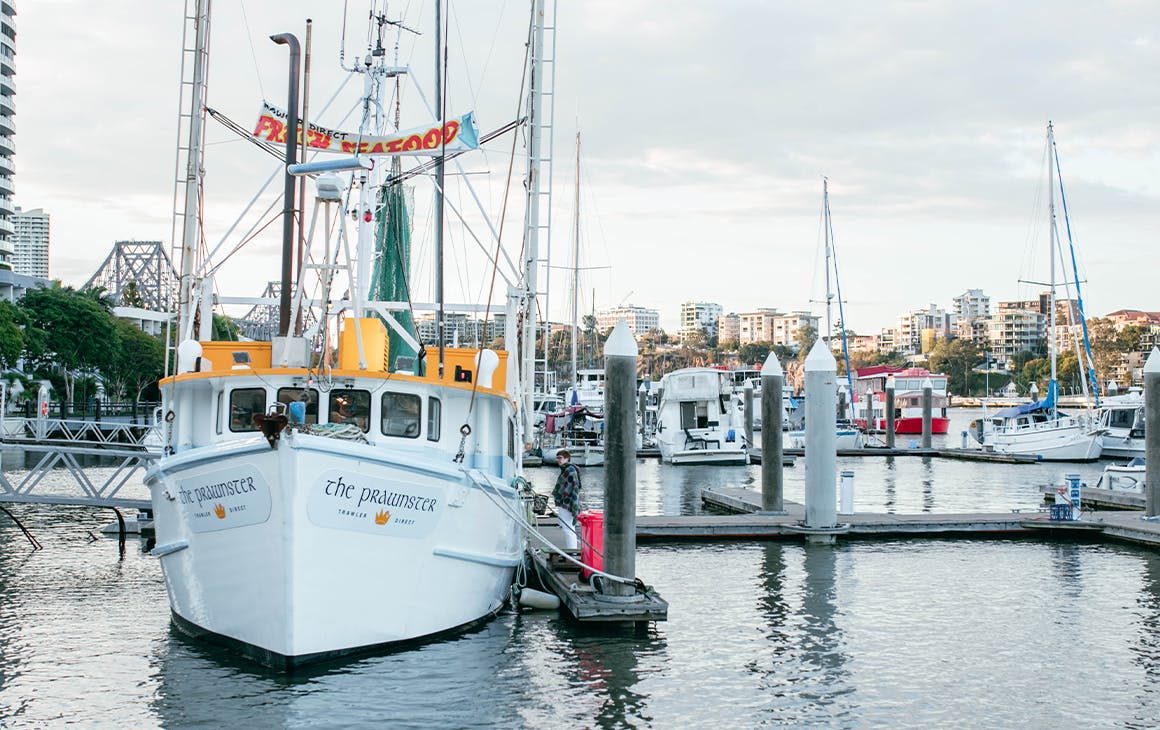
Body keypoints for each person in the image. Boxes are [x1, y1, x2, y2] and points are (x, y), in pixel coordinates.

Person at [551, 449, 582, 550]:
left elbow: (573, 489)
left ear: (567, 458)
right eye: (557, 458)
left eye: (560, 458)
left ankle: (572, 552)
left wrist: (571, 502)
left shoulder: (570, 470)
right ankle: (572, 550)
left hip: (567, 503)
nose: (558, 460)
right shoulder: (566, 469)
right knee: (567, 528)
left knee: (568, 528)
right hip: (565, 502)